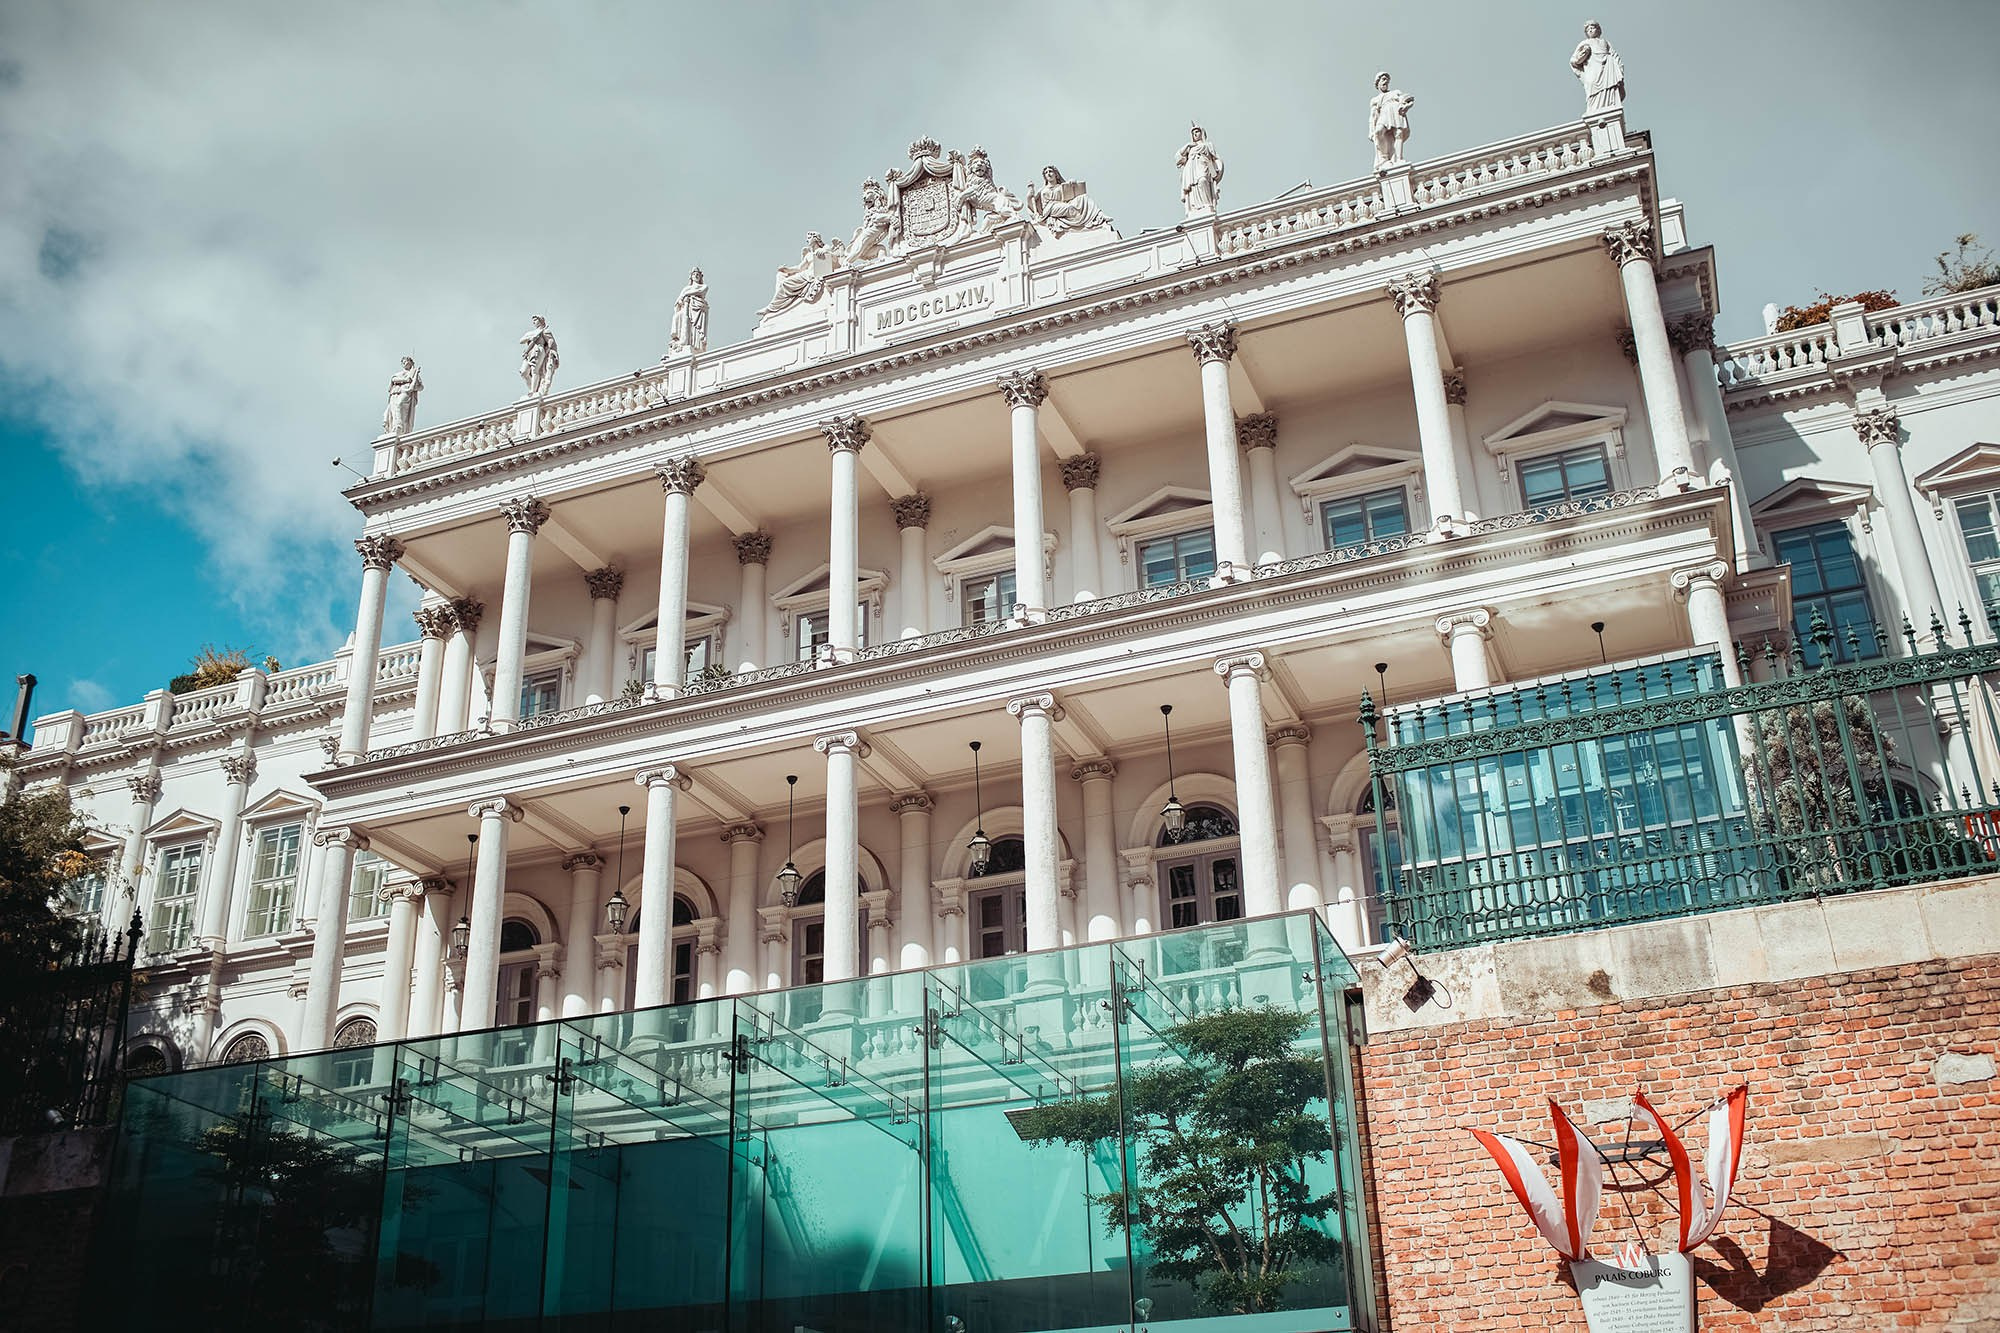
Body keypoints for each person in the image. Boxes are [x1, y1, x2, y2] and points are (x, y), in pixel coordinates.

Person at [1027, 165, 1114, 237]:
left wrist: (1073, 184)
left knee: (1084, 198)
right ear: (1044, 177)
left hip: (1062, 204)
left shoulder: (1061, 186)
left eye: (1050, 171)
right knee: (1070, 208)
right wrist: (1030, 193)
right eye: (1046, 173)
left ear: (1056, 174)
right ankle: (1082, 223)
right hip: (1050, 208)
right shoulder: (1042, 189)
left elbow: (1069, 194)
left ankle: (1099, 217)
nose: (1048, 174)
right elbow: (1032, 202)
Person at [1570, 21, 1625, 113]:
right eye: (1588, 29)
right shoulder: (1585, 43)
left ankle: (1610, 105)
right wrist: (1584, 53)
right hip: (1593, 68)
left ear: (1598, 30)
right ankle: (1594, 109)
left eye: (1592, 28)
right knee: (1592, 85)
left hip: (1607, 67)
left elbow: (1615, 55)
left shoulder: (1605, 42)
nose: (1590, 30)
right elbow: (1574, 60)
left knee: (1610, 87)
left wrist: (1619, 69)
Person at [1369, 73, 1416, 169]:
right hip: (1384, 113)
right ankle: (1384, 158)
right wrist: (1371, 130)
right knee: (1379, 132)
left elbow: (1409, 100)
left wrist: (1407, 106)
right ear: (1378, 83)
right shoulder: (1375, 99)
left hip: (1395, 111)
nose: (1385, 81)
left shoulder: (1395, 92)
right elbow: (1373, 116)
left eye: (1387, 80)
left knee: (1398, 133)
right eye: (1383, 79)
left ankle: (1398, 159)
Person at [1178, 124, 1223, 217]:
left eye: (1197, 131)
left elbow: (1216, 158)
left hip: (1203, 165)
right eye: (1193, 133)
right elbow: (1179, 156)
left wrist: (1218, 169)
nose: (1195, 134)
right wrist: (1188, 145)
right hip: (1191, 168)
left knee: (1203, 181)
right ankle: (1197, 207)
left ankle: (1206, 204)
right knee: (1194, 187)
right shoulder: (1190, 147)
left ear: (1202, 133)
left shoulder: (1207, 145)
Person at [669, 268, 709, 354]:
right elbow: (678, 302)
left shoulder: (704, 286)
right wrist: (682, 300)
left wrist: (686, 295)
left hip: (698, 309)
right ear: (691, 276)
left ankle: (694, 345)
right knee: (677, 316)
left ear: (700, 276)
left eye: (698, 274)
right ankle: (680, 340)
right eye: (694, 274)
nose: (696, 275)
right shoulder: (686, 289)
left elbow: (700, 291)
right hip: (686, 308)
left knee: (695, 328)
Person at [382, 356, 422, 437]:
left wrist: (415, 378)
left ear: (411, 363)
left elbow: (421, 387)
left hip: (406, 392)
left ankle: (399, 425)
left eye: (406, 361)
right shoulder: (398, 374)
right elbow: (393, 379)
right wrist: (406, 380)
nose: (405, 363)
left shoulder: (414, 373)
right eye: (403, 362)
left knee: (399, 404)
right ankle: (396, 426)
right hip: (395, 393)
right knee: (392, 410)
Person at [518, 316, 558, 396]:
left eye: (535, 320)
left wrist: (550, 346)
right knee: (523, 372)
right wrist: (531, 337)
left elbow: (551, 341)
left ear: (541, 321)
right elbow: (521, 340)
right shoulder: (530, 333)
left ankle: (533, 391)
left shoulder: (544, 331)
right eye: (533, 321)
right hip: (529, 352)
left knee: (535, 370)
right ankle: (532, 388)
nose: (534, 322)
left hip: (538, 350)